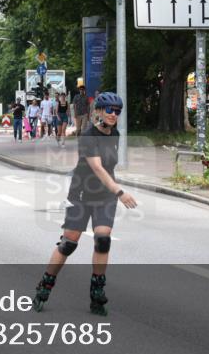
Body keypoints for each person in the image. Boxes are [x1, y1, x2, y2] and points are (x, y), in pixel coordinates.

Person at [32, 92, 137, 315]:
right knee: (69, 244)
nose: (113, 114)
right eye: (109, 110)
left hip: (104, 196)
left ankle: (97, 291)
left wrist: (113, 192)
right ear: (98, 111)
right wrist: (120, 192)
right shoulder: (89, 136)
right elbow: (97, 168)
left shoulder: (115, 134)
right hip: (81, 194)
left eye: (117, 111)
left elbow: (109, 168)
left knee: (103, 240)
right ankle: (45, 284)